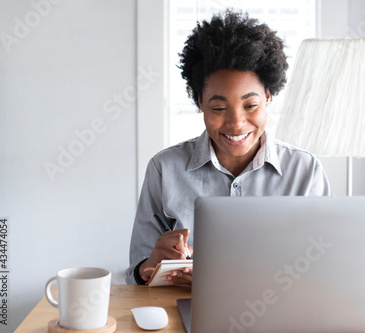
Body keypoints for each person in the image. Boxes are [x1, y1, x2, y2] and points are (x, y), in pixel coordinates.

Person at [126, 9, 330, 285]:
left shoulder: (305, 171)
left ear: (268, 96)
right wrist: (151, 265)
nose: (236, 123)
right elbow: (136, 275)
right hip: (187, 309)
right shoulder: (164, 169)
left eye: (251, 105)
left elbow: (322, 271)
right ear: (199, 101)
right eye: (219, 107)